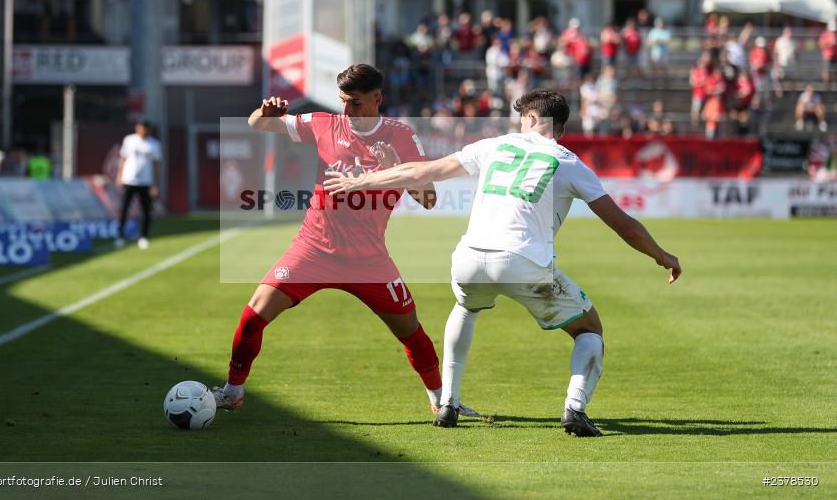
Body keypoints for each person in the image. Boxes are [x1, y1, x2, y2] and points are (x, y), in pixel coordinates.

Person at [324, 89, 682, 436]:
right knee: (589, 329)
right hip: (523, 261)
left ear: (529, 118)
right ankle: (574, 408)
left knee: (465, 307)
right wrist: (661, 255)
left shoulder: (493, 145)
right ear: (560, 127)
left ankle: (448, 402)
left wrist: (362, 180)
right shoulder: (569, 161)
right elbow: (624, 225)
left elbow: (422, 172)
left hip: (469, 258)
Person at [212, 64, 479, 419]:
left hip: (369, 259)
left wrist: (395, 168)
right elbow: (257, 124)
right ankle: (233, 391)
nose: (347, 110)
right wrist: (266, 112)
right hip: (313, 248)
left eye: (354, 103)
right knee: (253, 315)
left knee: (410, 331)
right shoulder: (323, 123)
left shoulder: (401, 136)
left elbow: (428, 199)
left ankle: (441, 399)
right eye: (343, 101)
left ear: (377, 98)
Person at [114, 119, 162, 250]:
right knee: (124, 209)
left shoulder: (154, 144)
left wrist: (155, 184)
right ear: (137, 128)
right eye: (141, 128)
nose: (143, 131)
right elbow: (123, 158)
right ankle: (120, 236)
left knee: (146, 211)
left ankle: (144, 237)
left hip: (146, 182)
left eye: (145, 128)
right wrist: (119, 175)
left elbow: (156, 165)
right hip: (129, 180)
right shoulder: (129, 140)